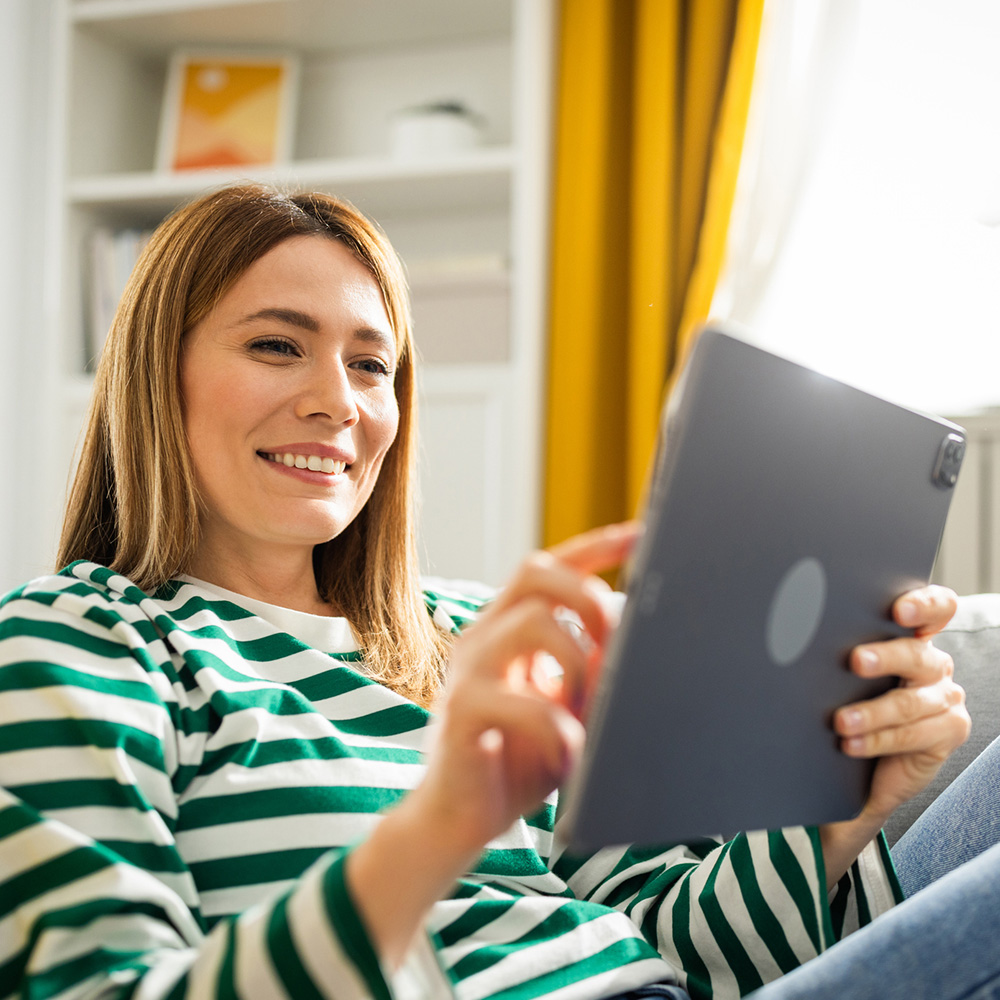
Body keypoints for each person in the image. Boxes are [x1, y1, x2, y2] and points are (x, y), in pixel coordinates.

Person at [0, 181, 992, 1000]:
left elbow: (676, 945)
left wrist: (839, 814)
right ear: (151, 372)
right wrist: (440, 823)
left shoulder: (476, 633)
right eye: (275, 344)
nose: (337, 402)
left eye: (370, 363)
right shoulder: (78, 642)